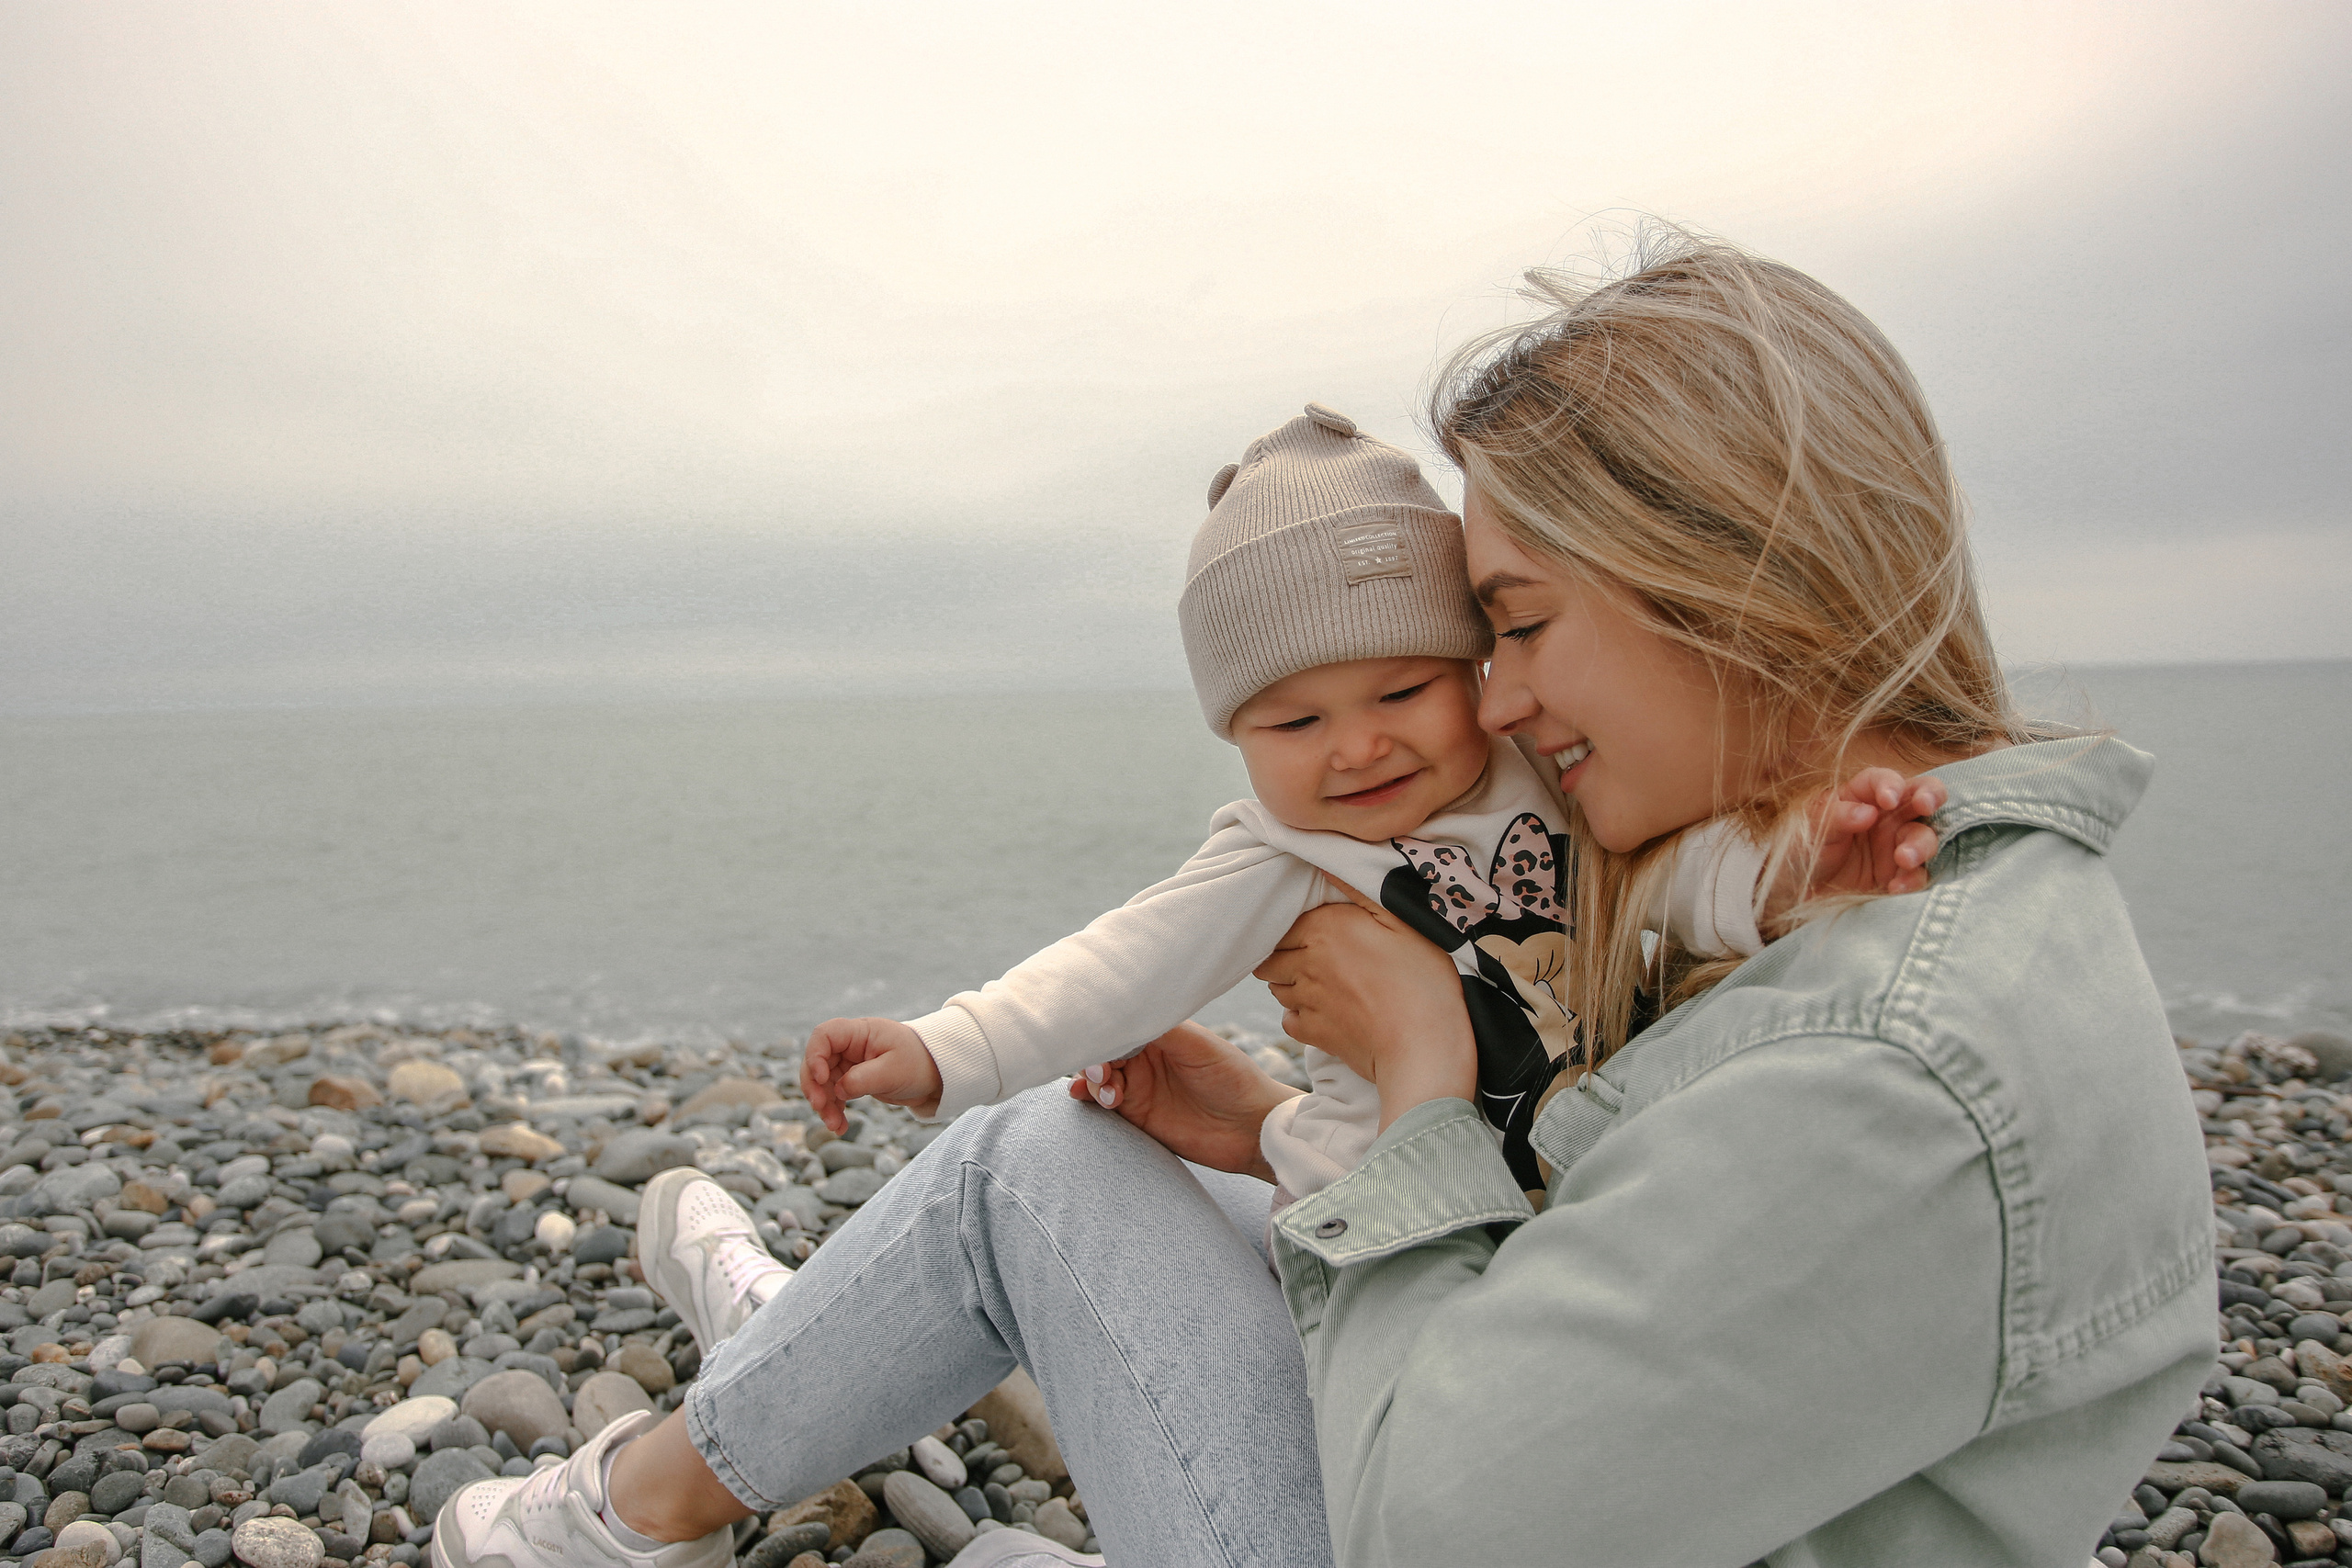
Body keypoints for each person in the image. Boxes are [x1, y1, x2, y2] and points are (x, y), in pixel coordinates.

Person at [428, 233, 2213, 1568]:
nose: (1491, 705)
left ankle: (656, 1484)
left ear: (1720, 571)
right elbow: (1591, 1257)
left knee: (1025, 1174)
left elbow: (1447, 1520)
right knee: (1053, 1150)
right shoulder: (1942, 915)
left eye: (1510, 625)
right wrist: (1282, 1112)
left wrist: (1415, 1080)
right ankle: (794, 1362)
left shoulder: (1886, 1057)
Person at [798, 402, 1834, 1209]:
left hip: (1592, 1196)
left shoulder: (1538, 772)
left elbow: (1672, 871)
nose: (1357, 746)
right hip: (1375, 1226)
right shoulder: (1284, 853)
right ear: (1236, 737)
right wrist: (946, 1049)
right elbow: (1118, 965)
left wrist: (1797, 877)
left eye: (1402, 693)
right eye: (1293, 726)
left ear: (1472, 667)